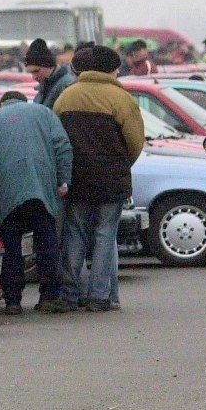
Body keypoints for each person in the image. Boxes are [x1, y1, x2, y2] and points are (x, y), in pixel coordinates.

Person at [53, 45, 144, 312]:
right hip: (111, 179)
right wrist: (121, 164)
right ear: (112, 69)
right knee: (105, 237)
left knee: (74, 236)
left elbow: (57, 139)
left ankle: (71, 294)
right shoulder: (121, 98)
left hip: (76, 178)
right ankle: (100, 296)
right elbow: (135, 142)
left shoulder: (66, 97)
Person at [0, 90, 73, 315]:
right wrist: (63, 180)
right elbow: (63, 146)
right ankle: (48, 296)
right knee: (47, 243)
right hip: (41, 191)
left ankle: (13, 301)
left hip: (6, 195)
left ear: (2, 104)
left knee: (11, 247)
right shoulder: (43, 113)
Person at [25, 38, 76, 108]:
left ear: (49, 66)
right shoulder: (44, 87)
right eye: (31, 73)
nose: (34, 77)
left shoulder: (66, 85)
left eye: (36, 71)